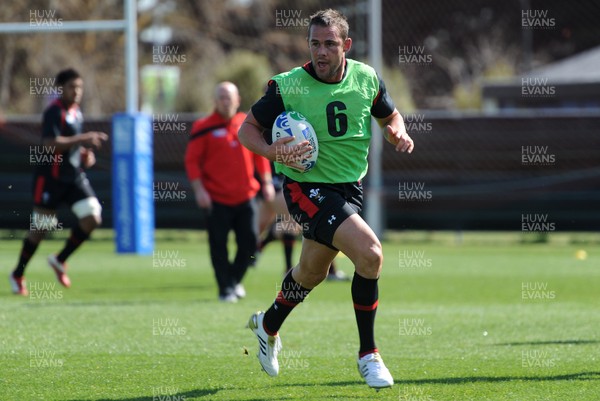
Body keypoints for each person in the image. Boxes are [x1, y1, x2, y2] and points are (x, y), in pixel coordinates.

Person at [238, 9, 414, 389]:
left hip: (349, 189)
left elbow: (391, 115)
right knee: (371, 254)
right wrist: (273, 153)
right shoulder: (288, 85)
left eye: (330, 44)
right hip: (306, 188)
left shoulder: (365, 78)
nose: (321, 52)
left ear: (345, 46)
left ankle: (266, 325)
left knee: (311, 274)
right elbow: (246, 129)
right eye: (315, 43)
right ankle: (369, 355)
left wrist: (397, 132)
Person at [9, 68, 108, 295]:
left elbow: (71, 145)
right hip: (51, 179)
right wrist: (83, 139)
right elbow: (50, 144)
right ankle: (18, 273)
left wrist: (84, 154)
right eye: (72, 87)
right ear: (61, 88)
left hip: (73, 178)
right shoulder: (54, 112)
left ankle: (59, 259)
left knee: (93, 217)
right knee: (40, 230)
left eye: (80, 87)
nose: (77, 91)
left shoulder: (76, 112)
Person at [185, 82, 275, 303]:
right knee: (218, 245)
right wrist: (200, 191)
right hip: (216, 199)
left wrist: (266, 183)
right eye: (221, 97)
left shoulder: (247, 124)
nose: (226, 101)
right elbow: (192, 161)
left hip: (246, 197)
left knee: (250, 242)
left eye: (229, 97)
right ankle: (225, 288)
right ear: (215, 101)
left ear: (237, 100)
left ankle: (234, 280)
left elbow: (259, 154)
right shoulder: (203, 126)